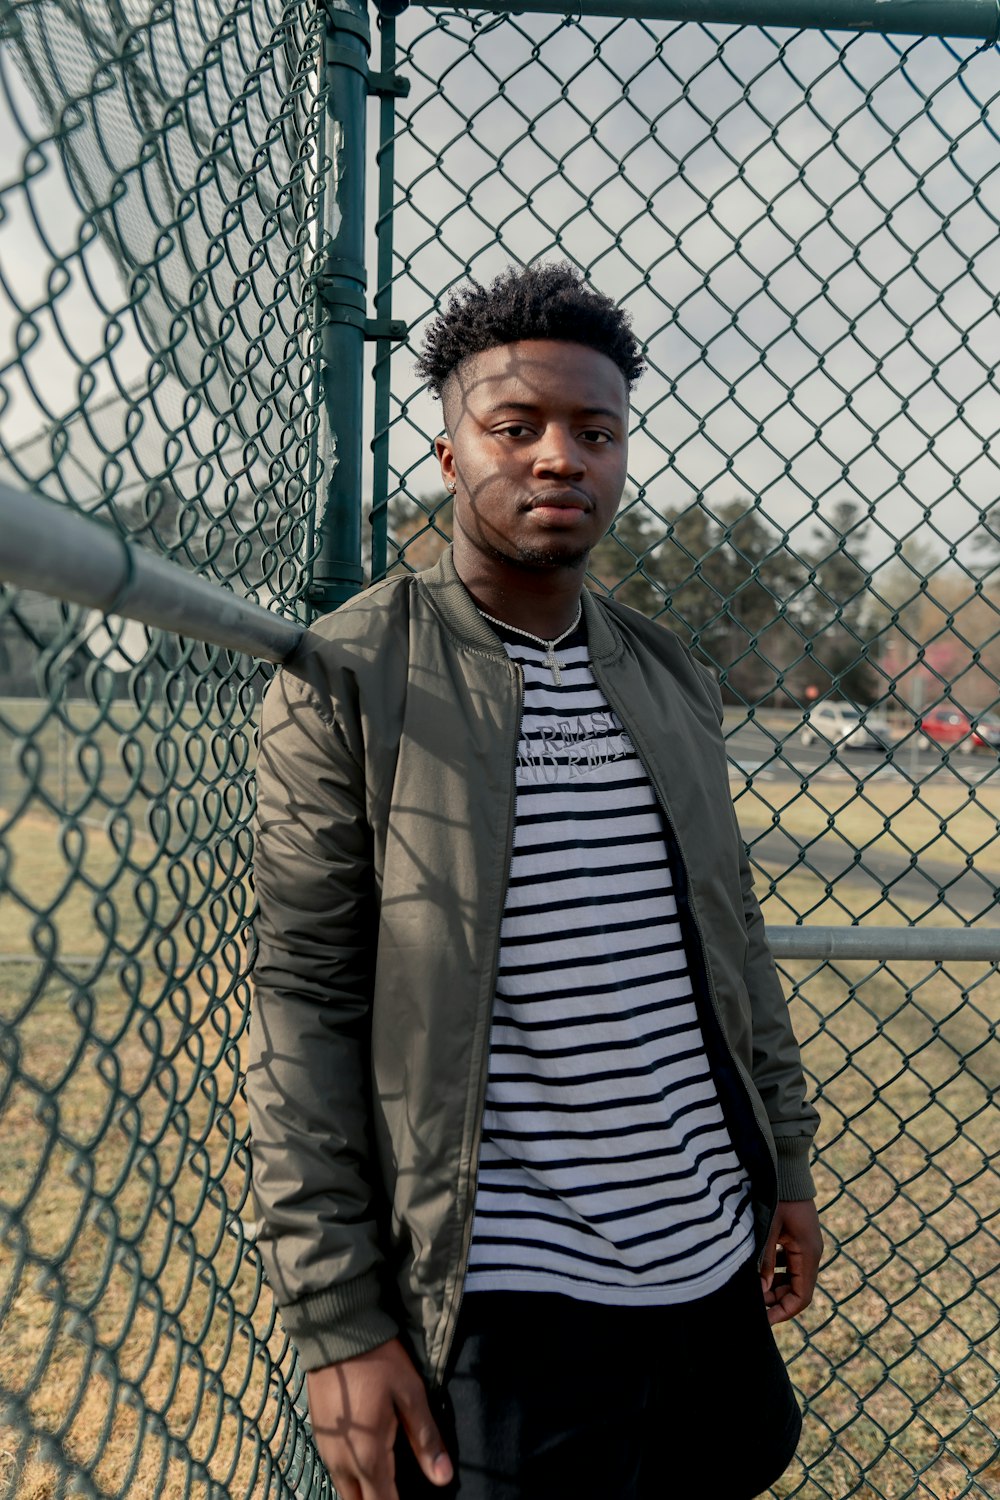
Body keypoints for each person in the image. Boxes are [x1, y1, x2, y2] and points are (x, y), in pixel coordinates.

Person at [247, 261, 822, 1500]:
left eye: (593, 431)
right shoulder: (348, 676)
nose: (559, 458)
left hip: (708, 1258)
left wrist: (788, 1168)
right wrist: (341, 1319)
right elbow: (303, 1006)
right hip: (505, 1298)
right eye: (516, 428)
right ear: (451, 455)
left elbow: (732, 949)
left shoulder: (671, 678)